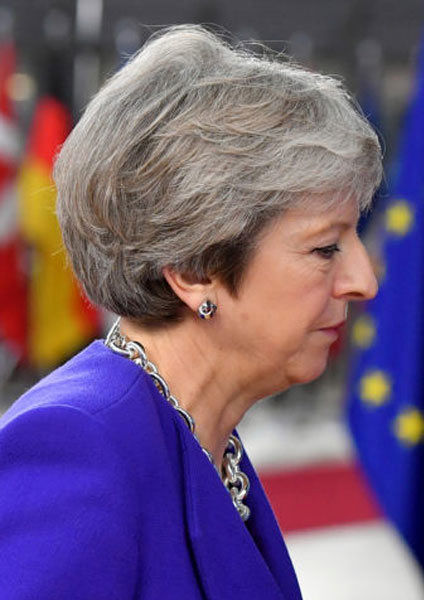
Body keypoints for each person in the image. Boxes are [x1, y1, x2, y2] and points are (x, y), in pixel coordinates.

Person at [0, 25, 380, 599]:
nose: (363, 281)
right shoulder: (79, 447)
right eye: (326, 248)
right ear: (196, 268)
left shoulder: (199, 430)